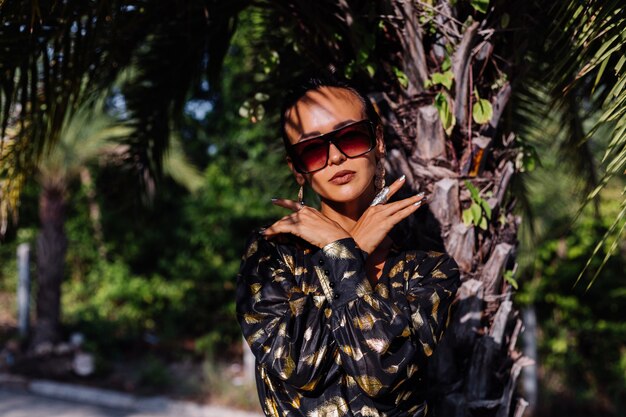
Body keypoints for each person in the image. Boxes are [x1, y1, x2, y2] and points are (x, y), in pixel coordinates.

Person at [236, 74, 461, 417]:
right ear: (297, 169)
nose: (336, 157)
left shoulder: (428, 271)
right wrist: (348, 250)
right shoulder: (271, 256)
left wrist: (343, 251)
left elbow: (380, 374)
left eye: (351, 137)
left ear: (378, 140)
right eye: (312, 150)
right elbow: (298, 366)